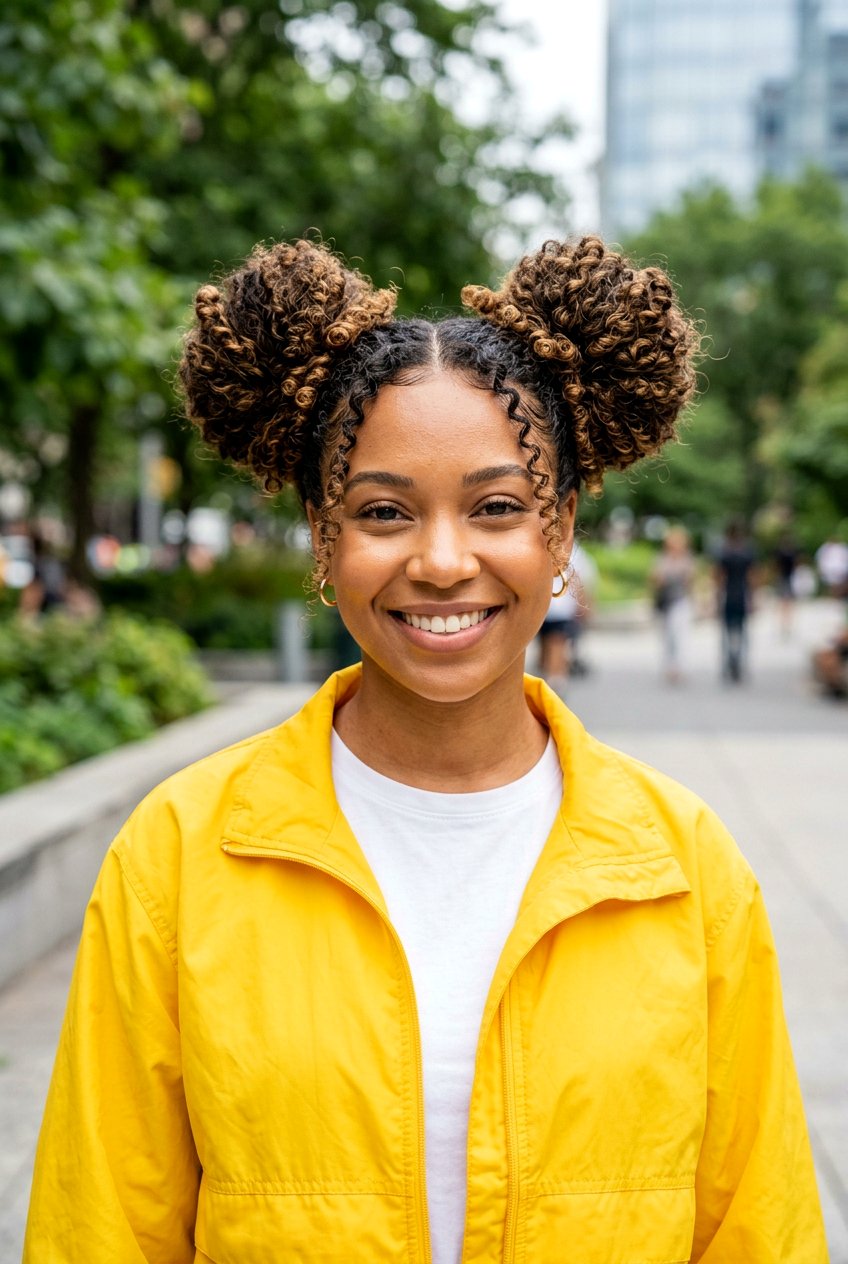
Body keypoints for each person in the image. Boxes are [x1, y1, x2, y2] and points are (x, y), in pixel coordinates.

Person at [24, 237, 826, 1262]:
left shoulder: (684, 868)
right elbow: (100, 1226)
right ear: (323, 534)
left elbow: (759, 1227)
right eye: (383, 512)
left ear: (561, 528)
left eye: (496, 507)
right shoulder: (178, 854)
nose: (442, 561)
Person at [537, 539, 597, 692]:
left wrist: (583, 605)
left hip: (558, 608)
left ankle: (555, 680)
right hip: (554, 606)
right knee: (549, 645)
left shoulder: (574, 553)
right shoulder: (574, 552)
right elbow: (581, 582)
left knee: (556, 643)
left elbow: (579, 582)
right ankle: (552, 679)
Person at [650, 525, 696, 684]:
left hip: (680, 601)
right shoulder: (662, 559)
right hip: (665, 603)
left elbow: (690, 581)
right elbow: (655, 579)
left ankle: (679, 667)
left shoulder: (687, 559)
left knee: (680, 635)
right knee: (667, 636)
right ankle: (669, 666)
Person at [715, 519, 756, 684]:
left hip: (728, 595)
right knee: (742, 631)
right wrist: (753, 597)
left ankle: (729, 662)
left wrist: (716, 596)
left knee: (727, 632)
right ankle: (739, 661)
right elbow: (753, 576)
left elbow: (719, 576)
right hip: (742, 594)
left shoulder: (723, 552)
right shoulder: (747, 552)